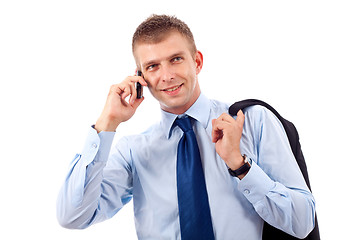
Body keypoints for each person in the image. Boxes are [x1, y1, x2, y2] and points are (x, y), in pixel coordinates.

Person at [57, 14, 316, 239]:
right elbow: (73, 216)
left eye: (176, 59)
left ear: (198, 62)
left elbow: (303, 222)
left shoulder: (252, 121)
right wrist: (107, 123)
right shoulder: (133, 152)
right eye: (153, 66)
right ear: (140, 77)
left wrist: (240, 165)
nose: (167, 75)